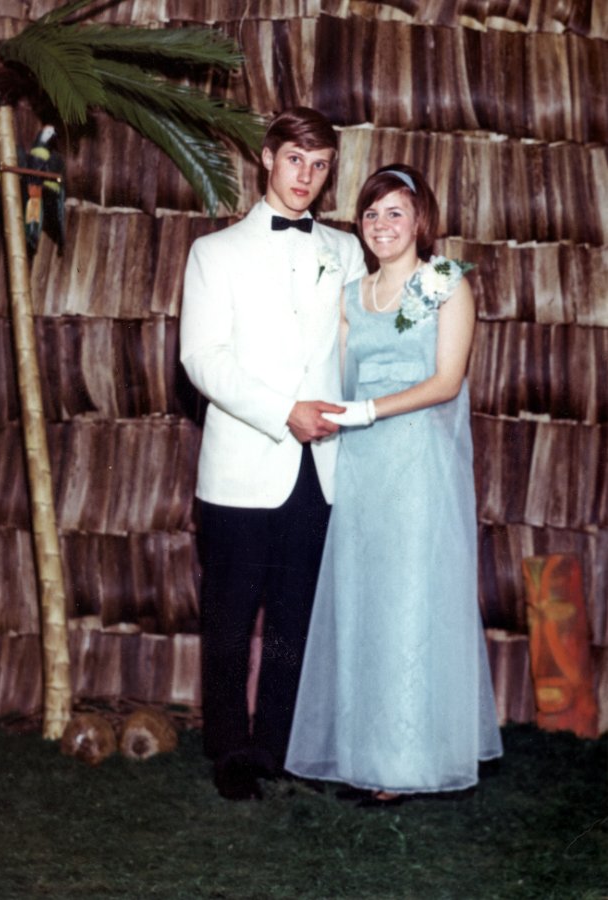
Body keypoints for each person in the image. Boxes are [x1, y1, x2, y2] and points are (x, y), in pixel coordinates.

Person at [285, 164, 503, 805]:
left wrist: (369, 411)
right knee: (364, 602)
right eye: (372, 214)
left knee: (409, 605)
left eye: (395, 213)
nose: (382, 225)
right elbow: (337, 373)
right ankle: (364, 753)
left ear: (419, 219)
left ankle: (404, 763)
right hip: (363, 467)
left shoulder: (442, 282)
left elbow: (446, 382)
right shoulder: (354, 293)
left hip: (417, 464)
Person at [180, 107, 366, 800]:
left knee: (295, 620)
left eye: (320, 166)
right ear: (267, 157)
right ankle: (231, 750)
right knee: (230, 620)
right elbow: (202, 358)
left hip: (322, 471)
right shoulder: (215, 253)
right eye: (295, 160)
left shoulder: (347, 251)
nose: (306, 177)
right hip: (241, 468)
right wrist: (283, 410)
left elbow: (361, 344)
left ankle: (281, 746)